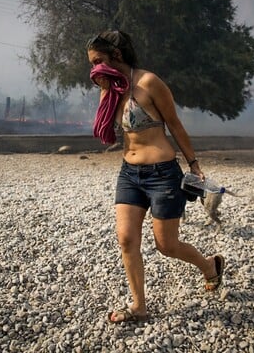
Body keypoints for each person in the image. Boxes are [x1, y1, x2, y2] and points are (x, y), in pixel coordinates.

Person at [87, 30, 225, 323]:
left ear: (117, 56)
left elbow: (175, 124)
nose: (94, 68)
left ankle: (209, 266)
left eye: (98, 60)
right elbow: (106, 129)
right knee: (126, 239)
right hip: (129, 173)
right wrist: (105, 90)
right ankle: (139, 306)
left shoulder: (149, 82)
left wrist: (194, 164)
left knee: (167, 246)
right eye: (91, 64)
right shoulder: (109, 88)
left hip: (162, 174)